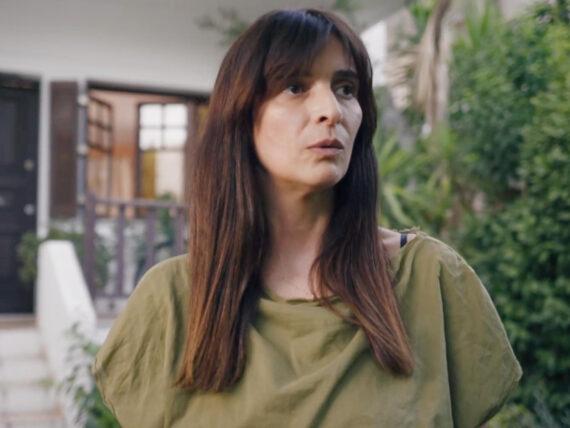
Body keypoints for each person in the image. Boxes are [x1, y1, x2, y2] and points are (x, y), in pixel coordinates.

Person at [92, 8, 522, 428]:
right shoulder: (170, 302)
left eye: (346, 88)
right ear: (242, 114)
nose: (331, 110)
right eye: (296, 87)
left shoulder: (430, 280)